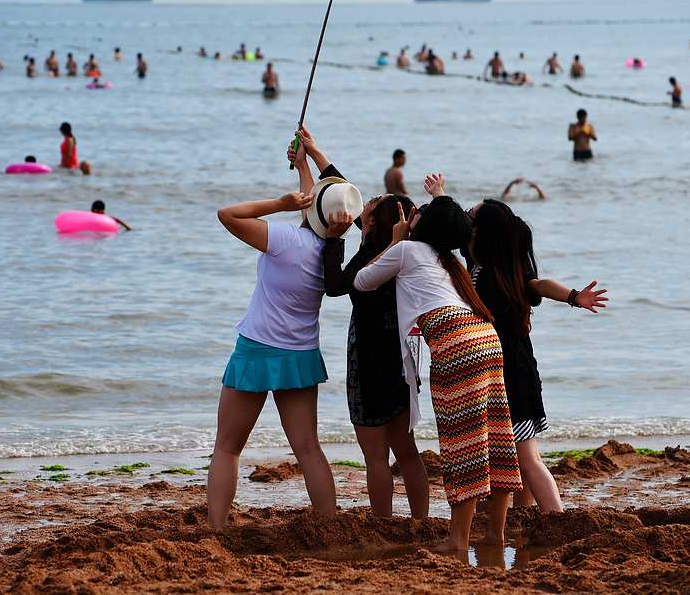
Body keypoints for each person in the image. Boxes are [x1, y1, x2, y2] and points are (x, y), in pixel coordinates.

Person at [354, 173, 522, 555]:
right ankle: (494, 535)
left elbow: (362, 281)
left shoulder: (408, 251)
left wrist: (392, 239)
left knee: (462, 444)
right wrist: (439, 195)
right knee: (494, 438)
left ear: (422, 226)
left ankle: (457, 541)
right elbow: (450, 222)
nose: (410, 217)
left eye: (416, 216)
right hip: (484, 339)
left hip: (454, 344)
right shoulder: (449, 261)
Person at [207, 126, 362, 530]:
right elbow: (313, 214)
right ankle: (329, 525)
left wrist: (279, 202)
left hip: (257, 351)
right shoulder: (328, 250)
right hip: (299, 356)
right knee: (309, 449)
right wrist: (304, 163)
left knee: (226, 448)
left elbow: (228, 215)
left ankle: (217, 529)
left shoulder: (284, 239)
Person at [467, 200, 607, 513]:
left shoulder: (506, 274)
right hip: (502, 371)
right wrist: (439, 195)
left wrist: (574, 297)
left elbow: (540, 285)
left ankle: (556, 517)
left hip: (513, 375)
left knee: (528, 458)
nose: (467, 217)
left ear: (482, 232)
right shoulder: (479, 263)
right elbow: (449, 226)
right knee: (523, 457)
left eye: (471, 215)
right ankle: (524, 514)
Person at [321, 189, 430, 520]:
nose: (365, 198)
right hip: (401, 360)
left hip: (368, 363)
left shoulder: (369, 254)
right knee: (408, 452)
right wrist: (313, 153)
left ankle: (383, 522)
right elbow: (346, 190)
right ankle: (420, 522)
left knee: (375, 457)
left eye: (372, 201)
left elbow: (335, 285)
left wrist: (331, 240)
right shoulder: (403, 252)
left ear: (370, 220)